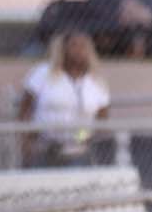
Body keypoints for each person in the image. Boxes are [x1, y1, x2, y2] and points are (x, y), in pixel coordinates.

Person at [17, 31, 111, 168]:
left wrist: (81, 137)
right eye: (74, 45)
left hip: (79, 150)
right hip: (43, 148)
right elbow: (24, 109)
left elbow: (101, 120)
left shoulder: (96, 82)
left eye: (84, 46)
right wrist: (26, 141)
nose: (79, 50)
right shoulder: (43, 73)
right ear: (63, 49)